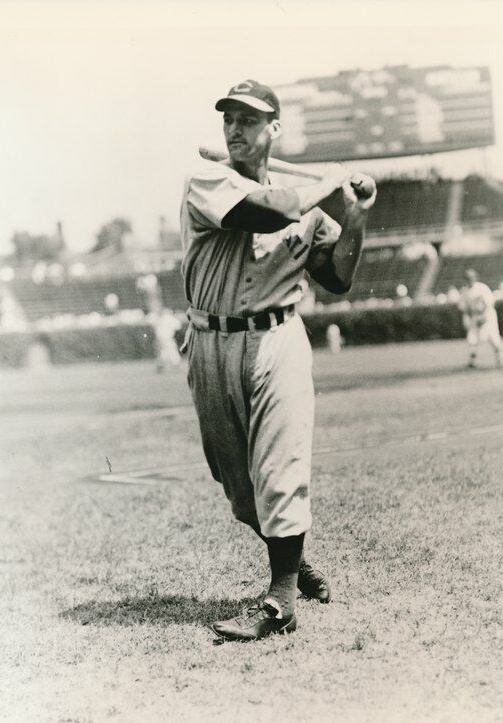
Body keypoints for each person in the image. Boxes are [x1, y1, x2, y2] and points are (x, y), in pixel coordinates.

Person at [179, 79, 376, 641]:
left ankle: (280, 598)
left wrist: (355, 216)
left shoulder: (308, 206)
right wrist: (331, 179)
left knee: (279, 469)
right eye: (229, 119)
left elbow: (336, 278)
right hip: (211, 343)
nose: (236, 129)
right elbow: (270, 213)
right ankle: (292, 561)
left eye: (249, 119)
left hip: (278, 341)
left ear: (274, 129)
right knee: (241, 490)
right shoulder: (208, 180)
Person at [458, 268, 502, 368]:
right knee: (472, 338)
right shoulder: (464, 291)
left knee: (491, 337)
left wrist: (484, 317)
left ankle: (499, 357)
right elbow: (464, 308)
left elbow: (489, 303)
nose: (470, 280)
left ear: (476, 277)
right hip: (475, 315)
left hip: (488, 314)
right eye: (467, 278)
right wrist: (466, 318)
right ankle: (472, 362)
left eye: (472, 277)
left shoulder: (482, 288)